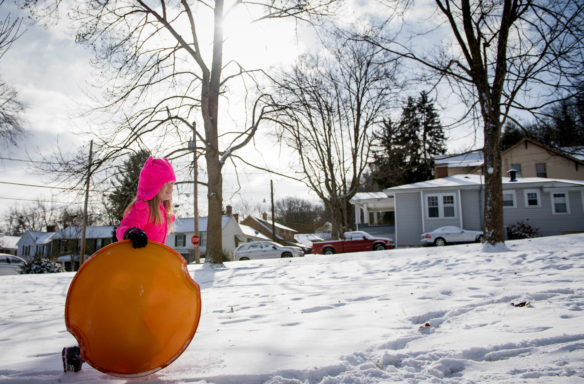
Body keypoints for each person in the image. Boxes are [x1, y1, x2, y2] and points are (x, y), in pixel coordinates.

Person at [62, 156, 176, 373]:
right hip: (131, 277)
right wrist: (132, 232)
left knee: (134, 320)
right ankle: (136, 354)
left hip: (147, 275)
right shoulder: (142, 208)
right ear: (153, 186)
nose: (171, 189)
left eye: (172, 184)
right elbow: (123, 229)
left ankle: (82, 353)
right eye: (166, 184)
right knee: (128, 321)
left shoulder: (163, 211)